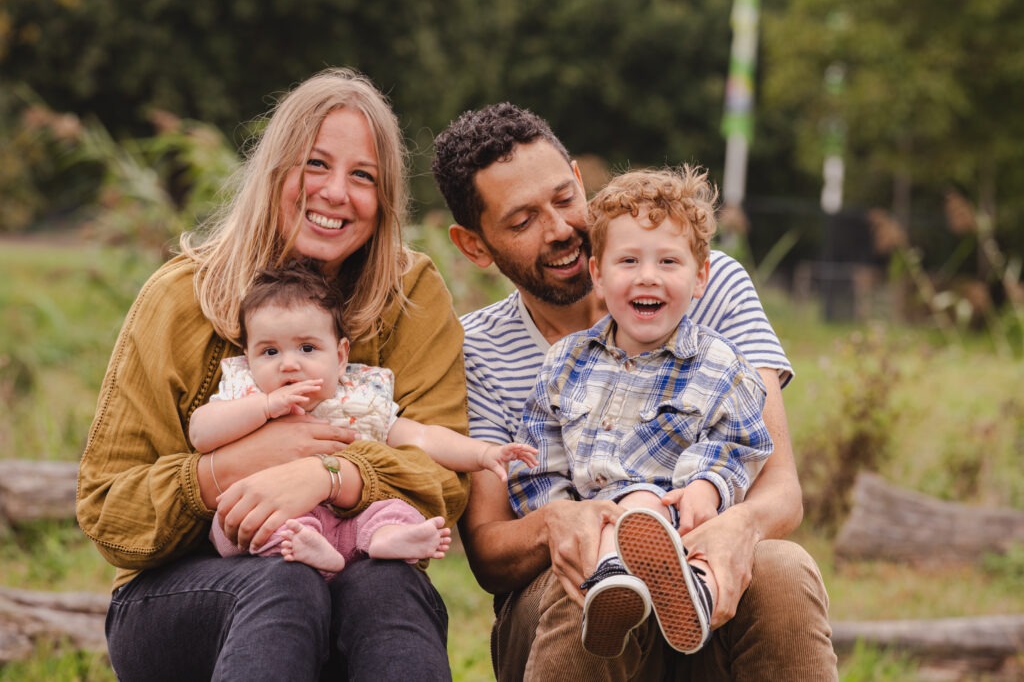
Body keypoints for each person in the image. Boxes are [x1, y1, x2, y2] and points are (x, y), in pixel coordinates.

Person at [77, 68, 468, 681]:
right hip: (185, 598)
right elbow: (109, 511)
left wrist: (327, 473)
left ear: (385, 198)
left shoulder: (409, 293)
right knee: (285, 586)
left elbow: (441, 481)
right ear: (274, 171)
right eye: (315, 164)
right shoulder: (181, 298)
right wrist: (233, 468)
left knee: (388, 589)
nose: (337, 192)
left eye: (363, 176)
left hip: (350, 568)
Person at [432, 102, 838, 680]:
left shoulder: (705, 282)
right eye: (522, 222)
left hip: (698, 555)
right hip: (564, 592)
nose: (561, 230)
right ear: (474, 246)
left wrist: (732, 525)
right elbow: (490, 550)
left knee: (784, 570)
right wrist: (560, 524)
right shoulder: (477, 349)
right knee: (583, 595)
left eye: (564, 199)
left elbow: (780, 490)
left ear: (579, 179)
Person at [507, 166, 774, 658]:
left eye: (668, 262)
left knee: (668, 523)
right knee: (621, 516)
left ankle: (696, 595)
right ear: (598, 276)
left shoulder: (720, 365)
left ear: (699, 278)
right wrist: (568, 513)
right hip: (597, 526)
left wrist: (707, 486)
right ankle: (614, 591)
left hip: (685, 524)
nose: (647, 276)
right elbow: (536, 463)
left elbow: (742, 442)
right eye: (628, 260)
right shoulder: (564, 365)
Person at [190, 262, 537, 577]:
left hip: (349, 522)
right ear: (248, 358)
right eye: (270, 352)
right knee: (233, 522)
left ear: (340, 356)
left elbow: (423, 437)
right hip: (279, 521)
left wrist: (482, 453)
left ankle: (388, 538)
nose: (289, 364)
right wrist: (264, 407)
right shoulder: (245, 396)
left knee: (391, 507)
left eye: (307, 348)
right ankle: (308, 546)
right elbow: (201, 433)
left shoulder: (358, 399)